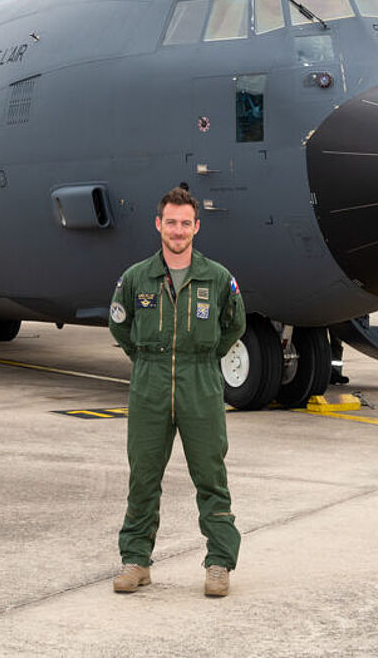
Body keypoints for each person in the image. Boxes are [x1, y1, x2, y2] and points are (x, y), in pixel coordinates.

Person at [108, 187, 246, 597]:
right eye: (171, 222)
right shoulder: (136, 278)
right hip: (149, 383)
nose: (178, 230)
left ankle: (219, 563)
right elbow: (120, 325)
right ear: (158, 224)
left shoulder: (218, 278)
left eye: (186, 223)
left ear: (196, 227)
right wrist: (148, 360)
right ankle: (136, 561)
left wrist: (199, 358)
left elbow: (233, 327)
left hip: (200, 381)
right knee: (143, 476)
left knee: (211, 475)